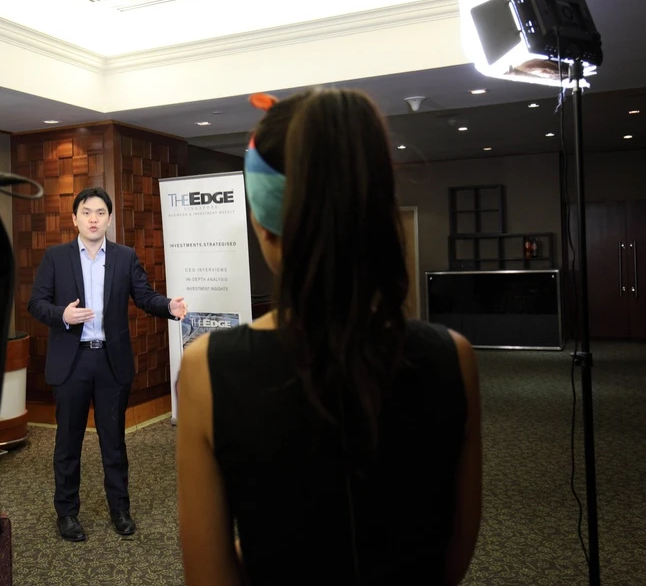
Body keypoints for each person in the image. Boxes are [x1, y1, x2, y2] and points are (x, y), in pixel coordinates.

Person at [176, 88, 482, 585]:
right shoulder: (453, 356)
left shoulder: (208, 367)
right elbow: (453, 549)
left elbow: (209, 576)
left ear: (263, 223)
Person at [29, 187, 188, 542]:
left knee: (114, 442)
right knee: (67, 442)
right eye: (86, 212)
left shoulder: (124, 256)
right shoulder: (55, 257)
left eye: (100, 212)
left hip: (111, 362)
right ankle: (67, 513)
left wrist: (168, 307)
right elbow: (36, 303)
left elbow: (144, 296)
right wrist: (62, 315)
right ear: (74, 218)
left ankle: (120, 509)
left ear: (109, 219)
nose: (93, 219)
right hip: (71, 362)